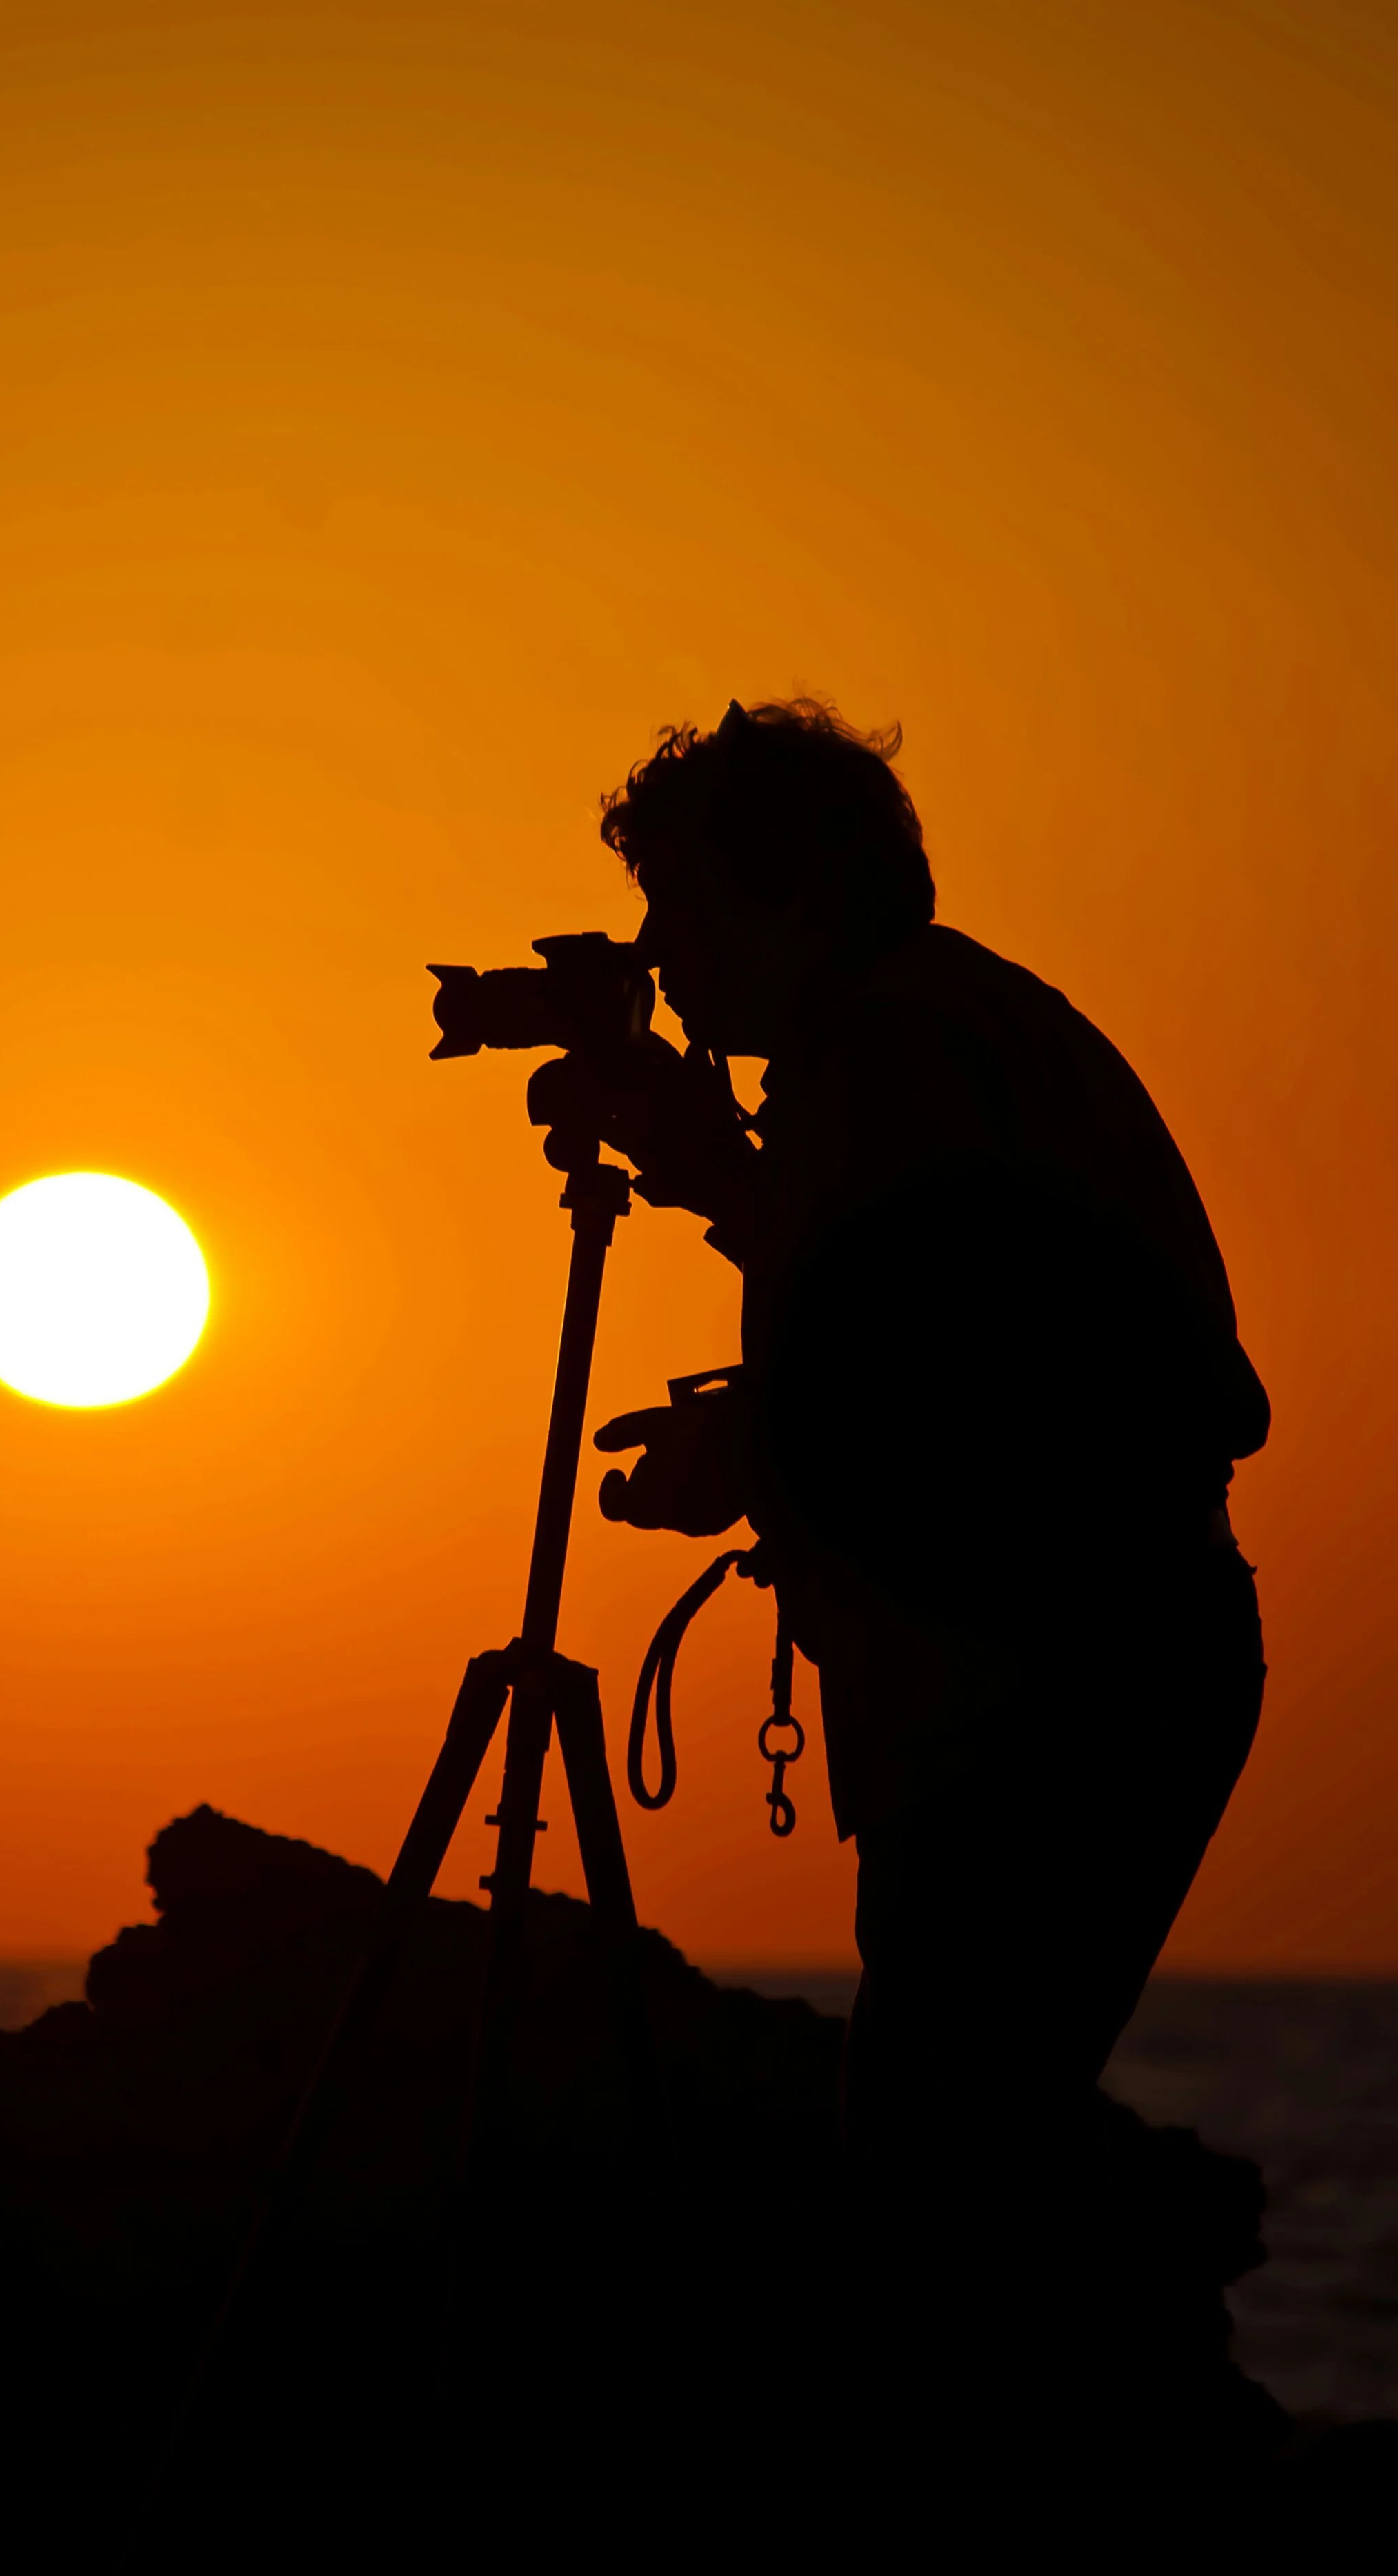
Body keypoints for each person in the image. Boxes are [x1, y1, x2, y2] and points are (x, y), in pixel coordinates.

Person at [530, 696, 1275, 2495]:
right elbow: (917, 1293)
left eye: (686, 914)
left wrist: (752, 1458)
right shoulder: (945, 1036)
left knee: (938, 2197)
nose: (663, 959)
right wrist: (718, 1183)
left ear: (791, 906)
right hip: (1097, 1664)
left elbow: (957, 1381)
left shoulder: (898, 1058)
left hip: (1043, 1694)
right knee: (971, 2168)